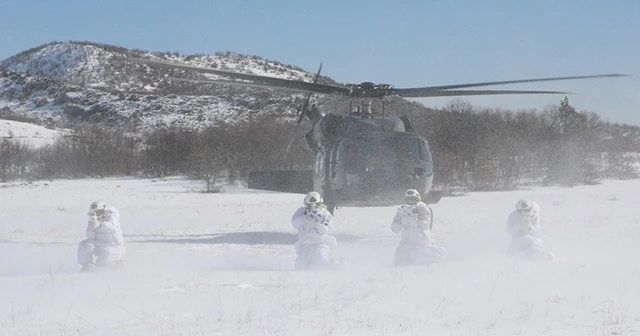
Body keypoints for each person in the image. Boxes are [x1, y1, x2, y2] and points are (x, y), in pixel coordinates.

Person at [391, 189, 447, 266]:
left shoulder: (423, 208)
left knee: (421, 261)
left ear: (418, 199)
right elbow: (394, 229)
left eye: (413, 199)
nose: (410, 202)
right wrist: (402, 222)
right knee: (399, 263)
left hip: (421, 243)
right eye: (408, 200)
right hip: (406, 243)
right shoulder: (402, 211)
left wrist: (417, 218)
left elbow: (426, 225)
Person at [291, 192, 341, 270]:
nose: (313, 207)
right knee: (299, 267)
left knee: (322, 264)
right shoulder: (301, 211)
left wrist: (317, 223)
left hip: (320, 243)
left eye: (317, 204)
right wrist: (305, 218)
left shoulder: (325, 214)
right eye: (310, 205)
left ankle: (338, 265)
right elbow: (294, 223)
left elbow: (324, 231)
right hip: (305, 243)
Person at [77, 200, 126, 272]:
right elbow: (90, 237)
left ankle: (117, 266)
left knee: (103, 263)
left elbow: (112, 226)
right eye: (94, 214)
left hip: (114, 246)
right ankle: (86, 266)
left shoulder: (112, 217)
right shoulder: (93, 220)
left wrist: (100, 225)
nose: (96, 215)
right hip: (100, 245)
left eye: (98, 213)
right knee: (84, 245)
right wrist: (91, 228)